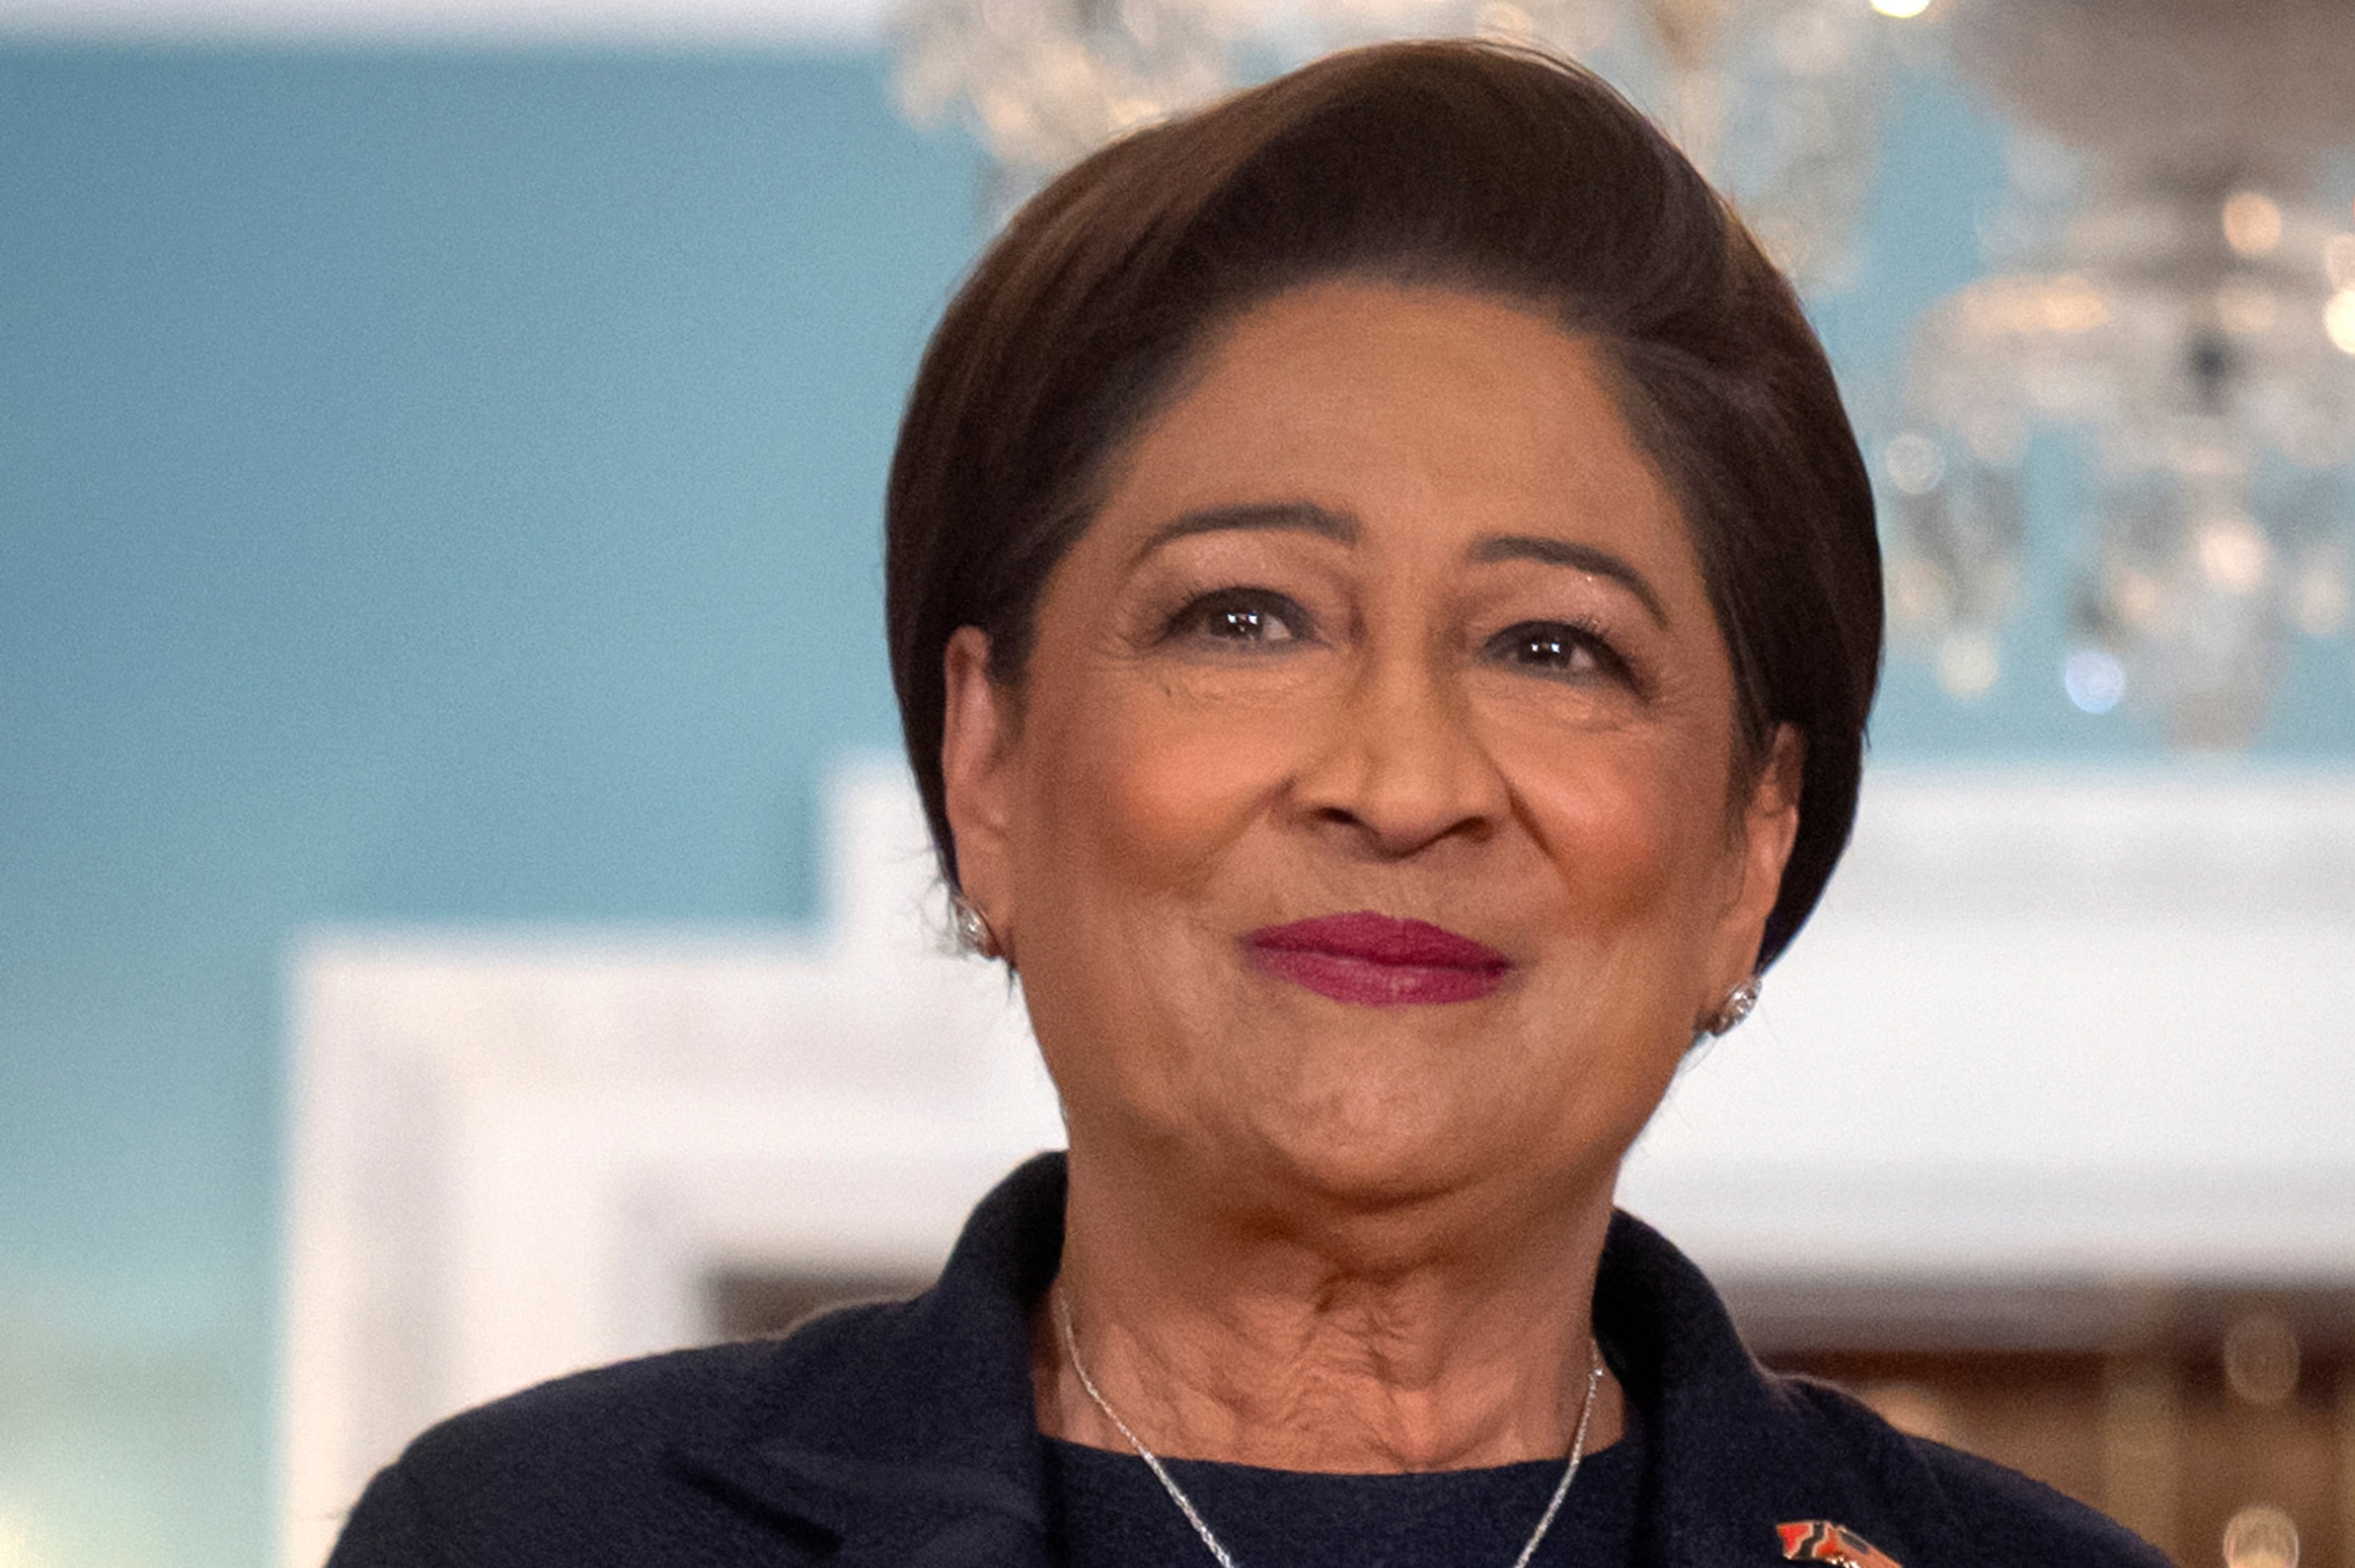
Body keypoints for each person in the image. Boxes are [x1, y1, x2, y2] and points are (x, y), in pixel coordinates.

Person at [327, 38, 2168, 1568]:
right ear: (987, 763)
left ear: (1748, 847)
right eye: (1244, 617)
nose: (1399, 782)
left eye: (1553, 649)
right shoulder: (525, 1536)